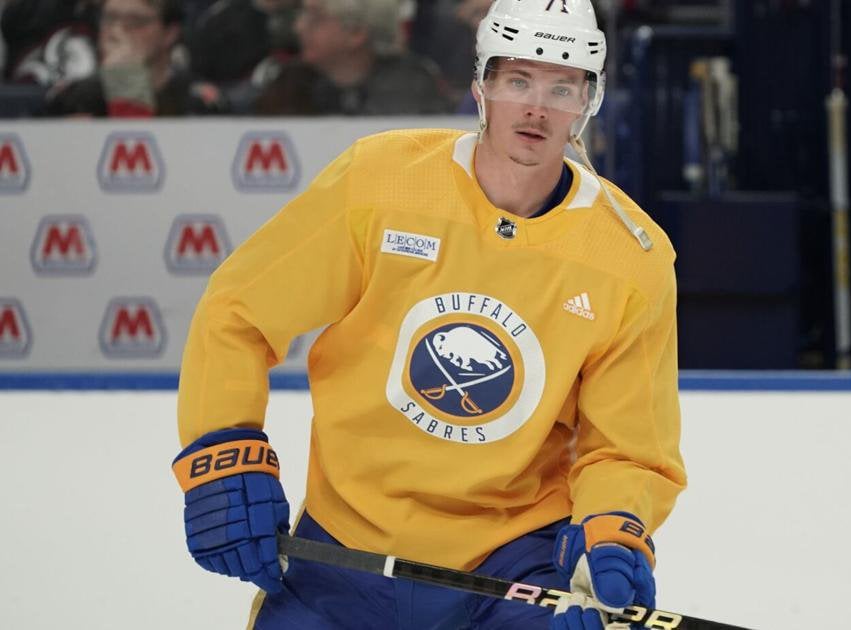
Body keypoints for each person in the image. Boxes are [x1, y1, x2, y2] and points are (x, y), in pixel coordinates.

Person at [171, 1, 685, 628]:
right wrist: (225, 451)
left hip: (513, 568)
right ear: (481, 86)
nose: (537, 107)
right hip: (342, 553)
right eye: (518, 80)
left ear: (588, 101)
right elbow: (238, 311)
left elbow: (628, 448)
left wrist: (611, 532)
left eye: (562, 87)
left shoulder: (632, 257)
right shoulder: (382, 182)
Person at [253, 0, 453, 115]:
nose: (298, 27)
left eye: (316, 18)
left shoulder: (410, 86)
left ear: (356, 33)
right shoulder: (290, 82)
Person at [45, 0, 226, 116]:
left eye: (134, 21)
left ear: (170, 33)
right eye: (110, 18)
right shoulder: (73, 97)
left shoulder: (198, 100)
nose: (117, 31)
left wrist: (127, 81)